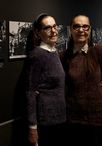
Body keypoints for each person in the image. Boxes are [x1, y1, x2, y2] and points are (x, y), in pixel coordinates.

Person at [62, 14, 102, 146]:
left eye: (85, 26)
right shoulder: (64, 56)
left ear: (90, 29)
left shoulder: (101, 51)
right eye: (77, 26)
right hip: (73, 121)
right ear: (71, 29)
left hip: (98, 120)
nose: (81, 30)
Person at [25, 13, 66, 146]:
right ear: (38, 32)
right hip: (46, 123)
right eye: (48, 28)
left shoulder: (54, 52)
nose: (53, 31)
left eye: (55, 26)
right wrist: (32, 127)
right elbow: (30, 92)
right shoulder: (37, 55)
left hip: (60, 119)